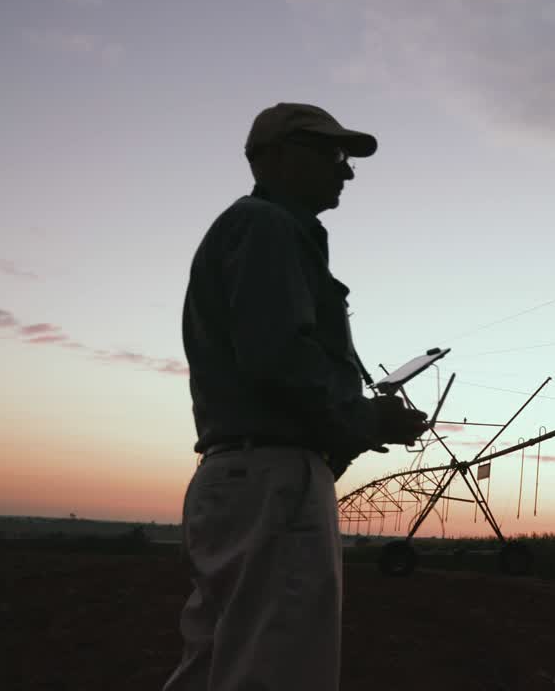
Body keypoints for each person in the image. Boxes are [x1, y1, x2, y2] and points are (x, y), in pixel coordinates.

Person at [163, 102, 430, 691]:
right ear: (281, 157)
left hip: (244, 475)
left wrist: (361, 422)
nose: (347, 171)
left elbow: (274, 357)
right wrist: (366, 418)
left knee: (217, 665)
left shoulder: (257, 229)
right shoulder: (267, 226)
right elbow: (278, 358)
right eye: (334, 154)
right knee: (276, 670)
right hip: (275, 481)